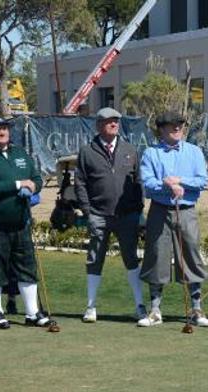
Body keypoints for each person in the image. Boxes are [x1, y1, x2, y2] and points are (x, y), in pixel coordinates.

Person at [0, 115, 56, 330]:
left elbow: (35, 178)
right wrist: (19, 184)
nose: (2, 132)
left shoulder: (20, 154)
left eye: (4, 128)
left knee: (27, 268)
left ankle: (32, 312)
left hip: (21, 222)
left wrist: (33, 187)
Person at [137, 111, 208, 328]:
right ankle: (155, 310)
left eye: (180, 124)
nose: (177, 128)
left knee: (190, 255)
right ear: (161, 129)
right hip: (160, 210)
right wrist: (166, 185)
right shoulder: (151, 154)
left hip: (186, 210)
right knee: (157, 256)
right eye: (172, 125)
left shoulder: (194, 152)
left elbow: (201, 181)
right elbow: (148, 183)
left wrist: (180, 181)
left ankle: (196, 309)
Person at [75, 107, 146, 323]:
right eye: (108, 121)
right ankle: (91, 306)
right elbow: (80, 183)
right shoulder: (87, 151)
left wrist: (139, 210)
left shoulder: (130, 149)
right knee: (95, 259)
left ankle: (140, 306)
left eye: (116, 120)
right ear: (98, 125)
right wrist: (87, 211)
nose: (113, 124)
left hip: (127, 215)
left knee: (131, 259)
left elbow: (138, 182)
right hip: (98, 214)